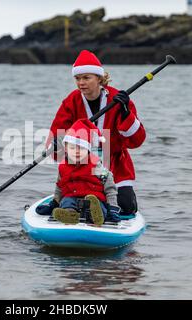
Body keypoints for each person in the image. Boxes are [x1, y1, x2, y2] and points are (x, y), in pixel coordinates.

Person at [45, 50, 146, 217]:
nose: (81, 83)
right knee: (78, 200)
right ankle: (77, 208)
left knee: (126, 207)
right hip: (80, 165)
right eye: (77, 78)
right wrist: (56, 144)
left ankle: (96, 207)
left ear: (99, 78)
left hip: (115, 166)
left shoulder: (118, 99)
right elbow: (57, 139)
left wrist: (126, 113)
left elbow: (137, 141)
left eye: (86, 78)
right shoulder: (71, 101)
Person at [37, 118, 121, 226]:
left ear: (88, 150)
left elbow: (110, 187)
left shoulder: (95, 165)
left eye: (81, 148)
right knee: (66, 202)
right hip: (72, 197)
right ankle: (69, 215)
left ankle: (96, 216)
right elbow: (59, 187)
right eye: (72, 148)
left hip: (93, 198)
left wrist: (113, 207)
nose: (76, 152)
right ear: (66, 149)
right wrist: (54, 203)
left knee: (97, 204)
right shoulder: (63, 167)